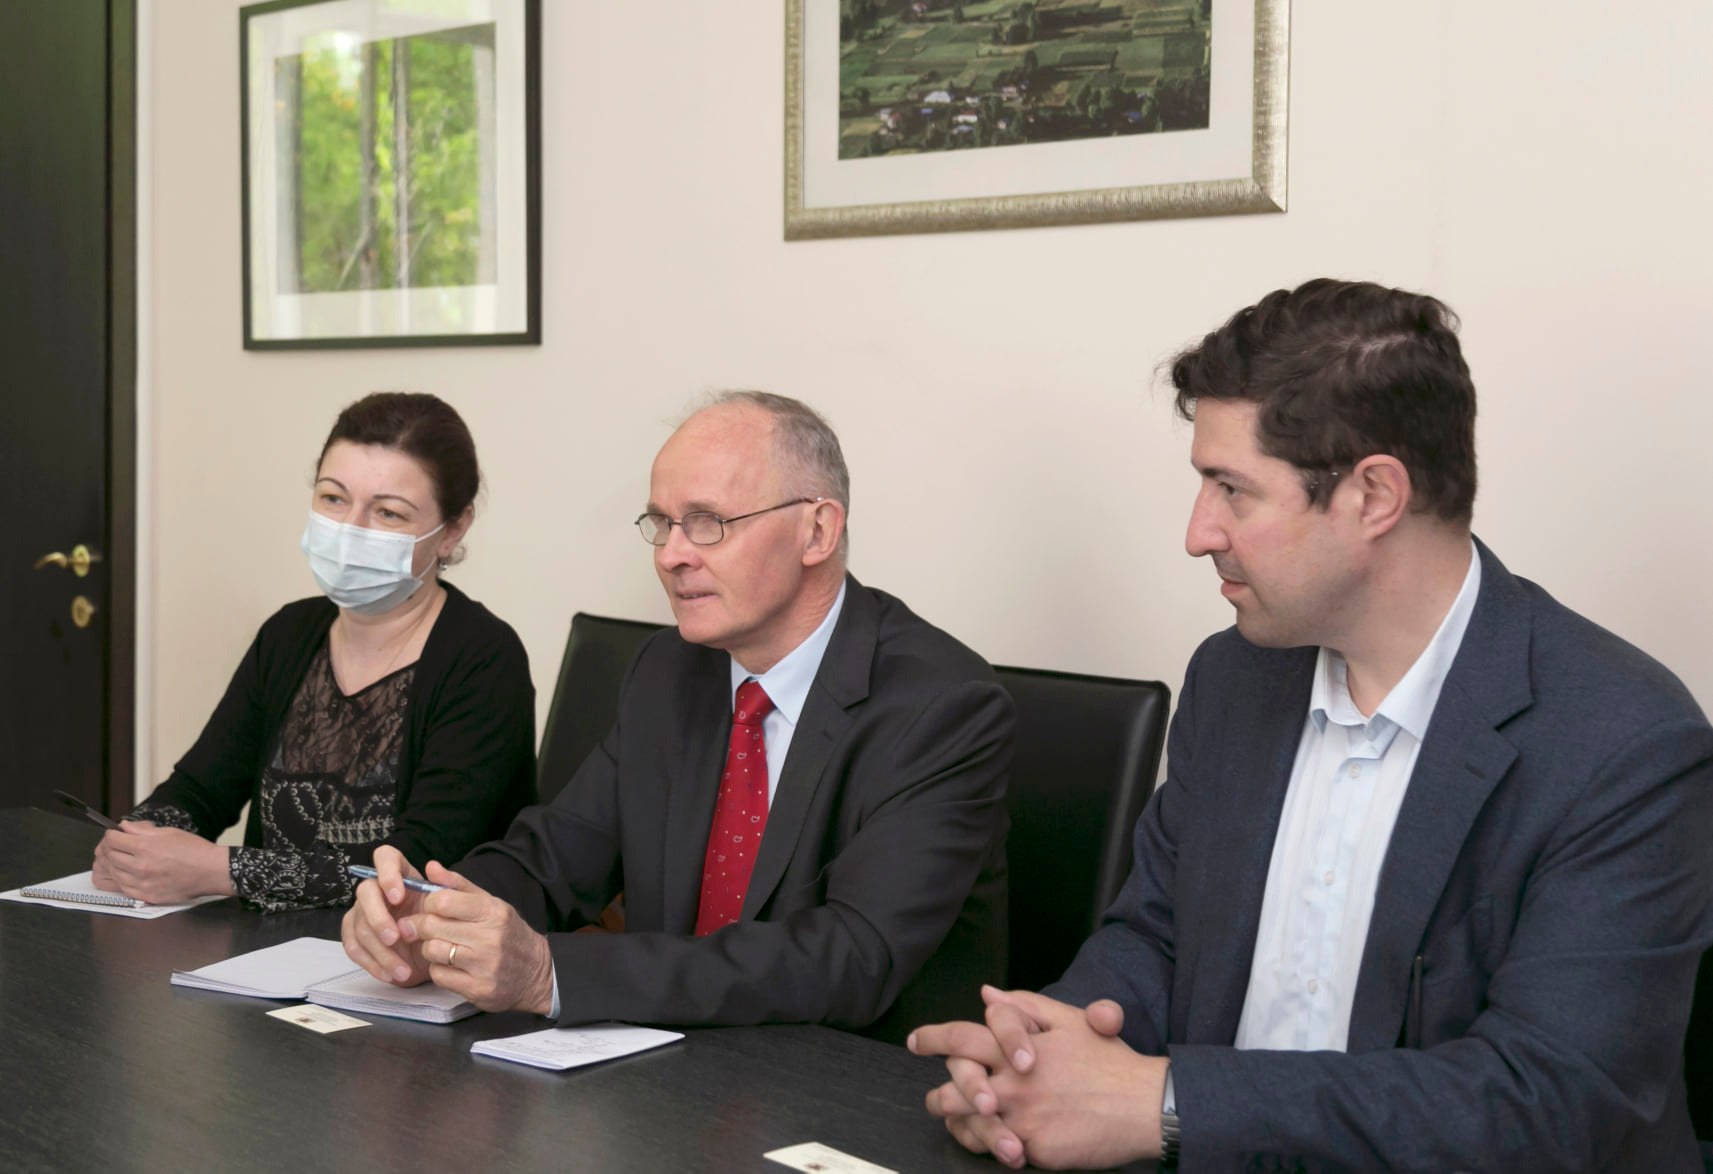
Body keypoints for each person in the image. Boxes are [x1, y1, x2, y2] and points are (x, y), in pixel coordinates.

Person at [911, 279, 1713, 1170]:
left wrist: (1165, 1103)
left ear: (1373, 495)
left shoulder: (1624, 742)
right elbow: (1156, 939)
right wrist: (1034, 1063)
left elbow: (1548, 1103)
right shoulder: (1235, 676)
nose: (1197, 533)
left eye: (1232, 489)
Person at [340, 391, 1012, 1042]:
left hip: (850, 1086)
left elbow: (851, 956)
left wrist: (550, 973)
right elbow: (555, 856)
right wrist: (429, 914)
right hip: (670, 1071)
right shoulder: (668, 670)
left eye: (707, 522)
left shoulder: (941, 705)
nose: (670, 555)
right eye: (661, 523)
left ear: (817, 530)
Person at [93, 392, 536, 912]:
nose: (350, 529)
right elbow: (201, 790)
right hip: (259, 948)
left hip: (411, 953)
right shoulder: (289, 633)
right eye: (333, 498)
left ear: (452, 530)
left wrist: (222, 870)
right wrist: (138, 839)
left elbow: (416, 866)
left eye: (388, 512)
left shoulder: (484, 659)